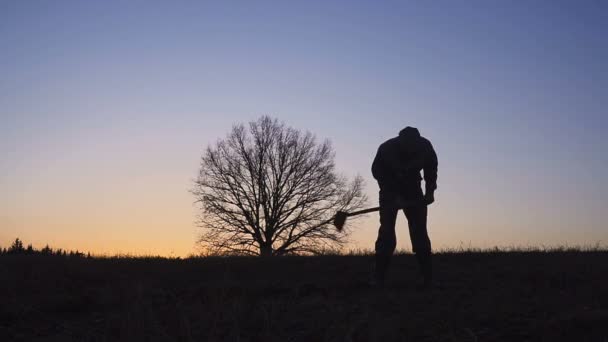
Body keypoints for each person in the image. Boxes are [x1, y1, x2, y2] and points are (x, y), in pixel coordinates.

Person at [371, 126, 438, 288]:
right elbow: (377, 172)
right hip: (389, 188)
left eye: (413, 145)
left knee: (419, 230)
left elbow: (431, 170)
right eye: (407, 145)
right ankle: (379, 278)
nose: (410, 148)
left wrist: (429, 192)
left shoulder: (425, 147)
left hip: (413, 188)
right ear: (401, 141)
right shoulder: (387, 149)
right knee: (387, 231)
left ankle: (427, 279)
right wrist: (394, 196)